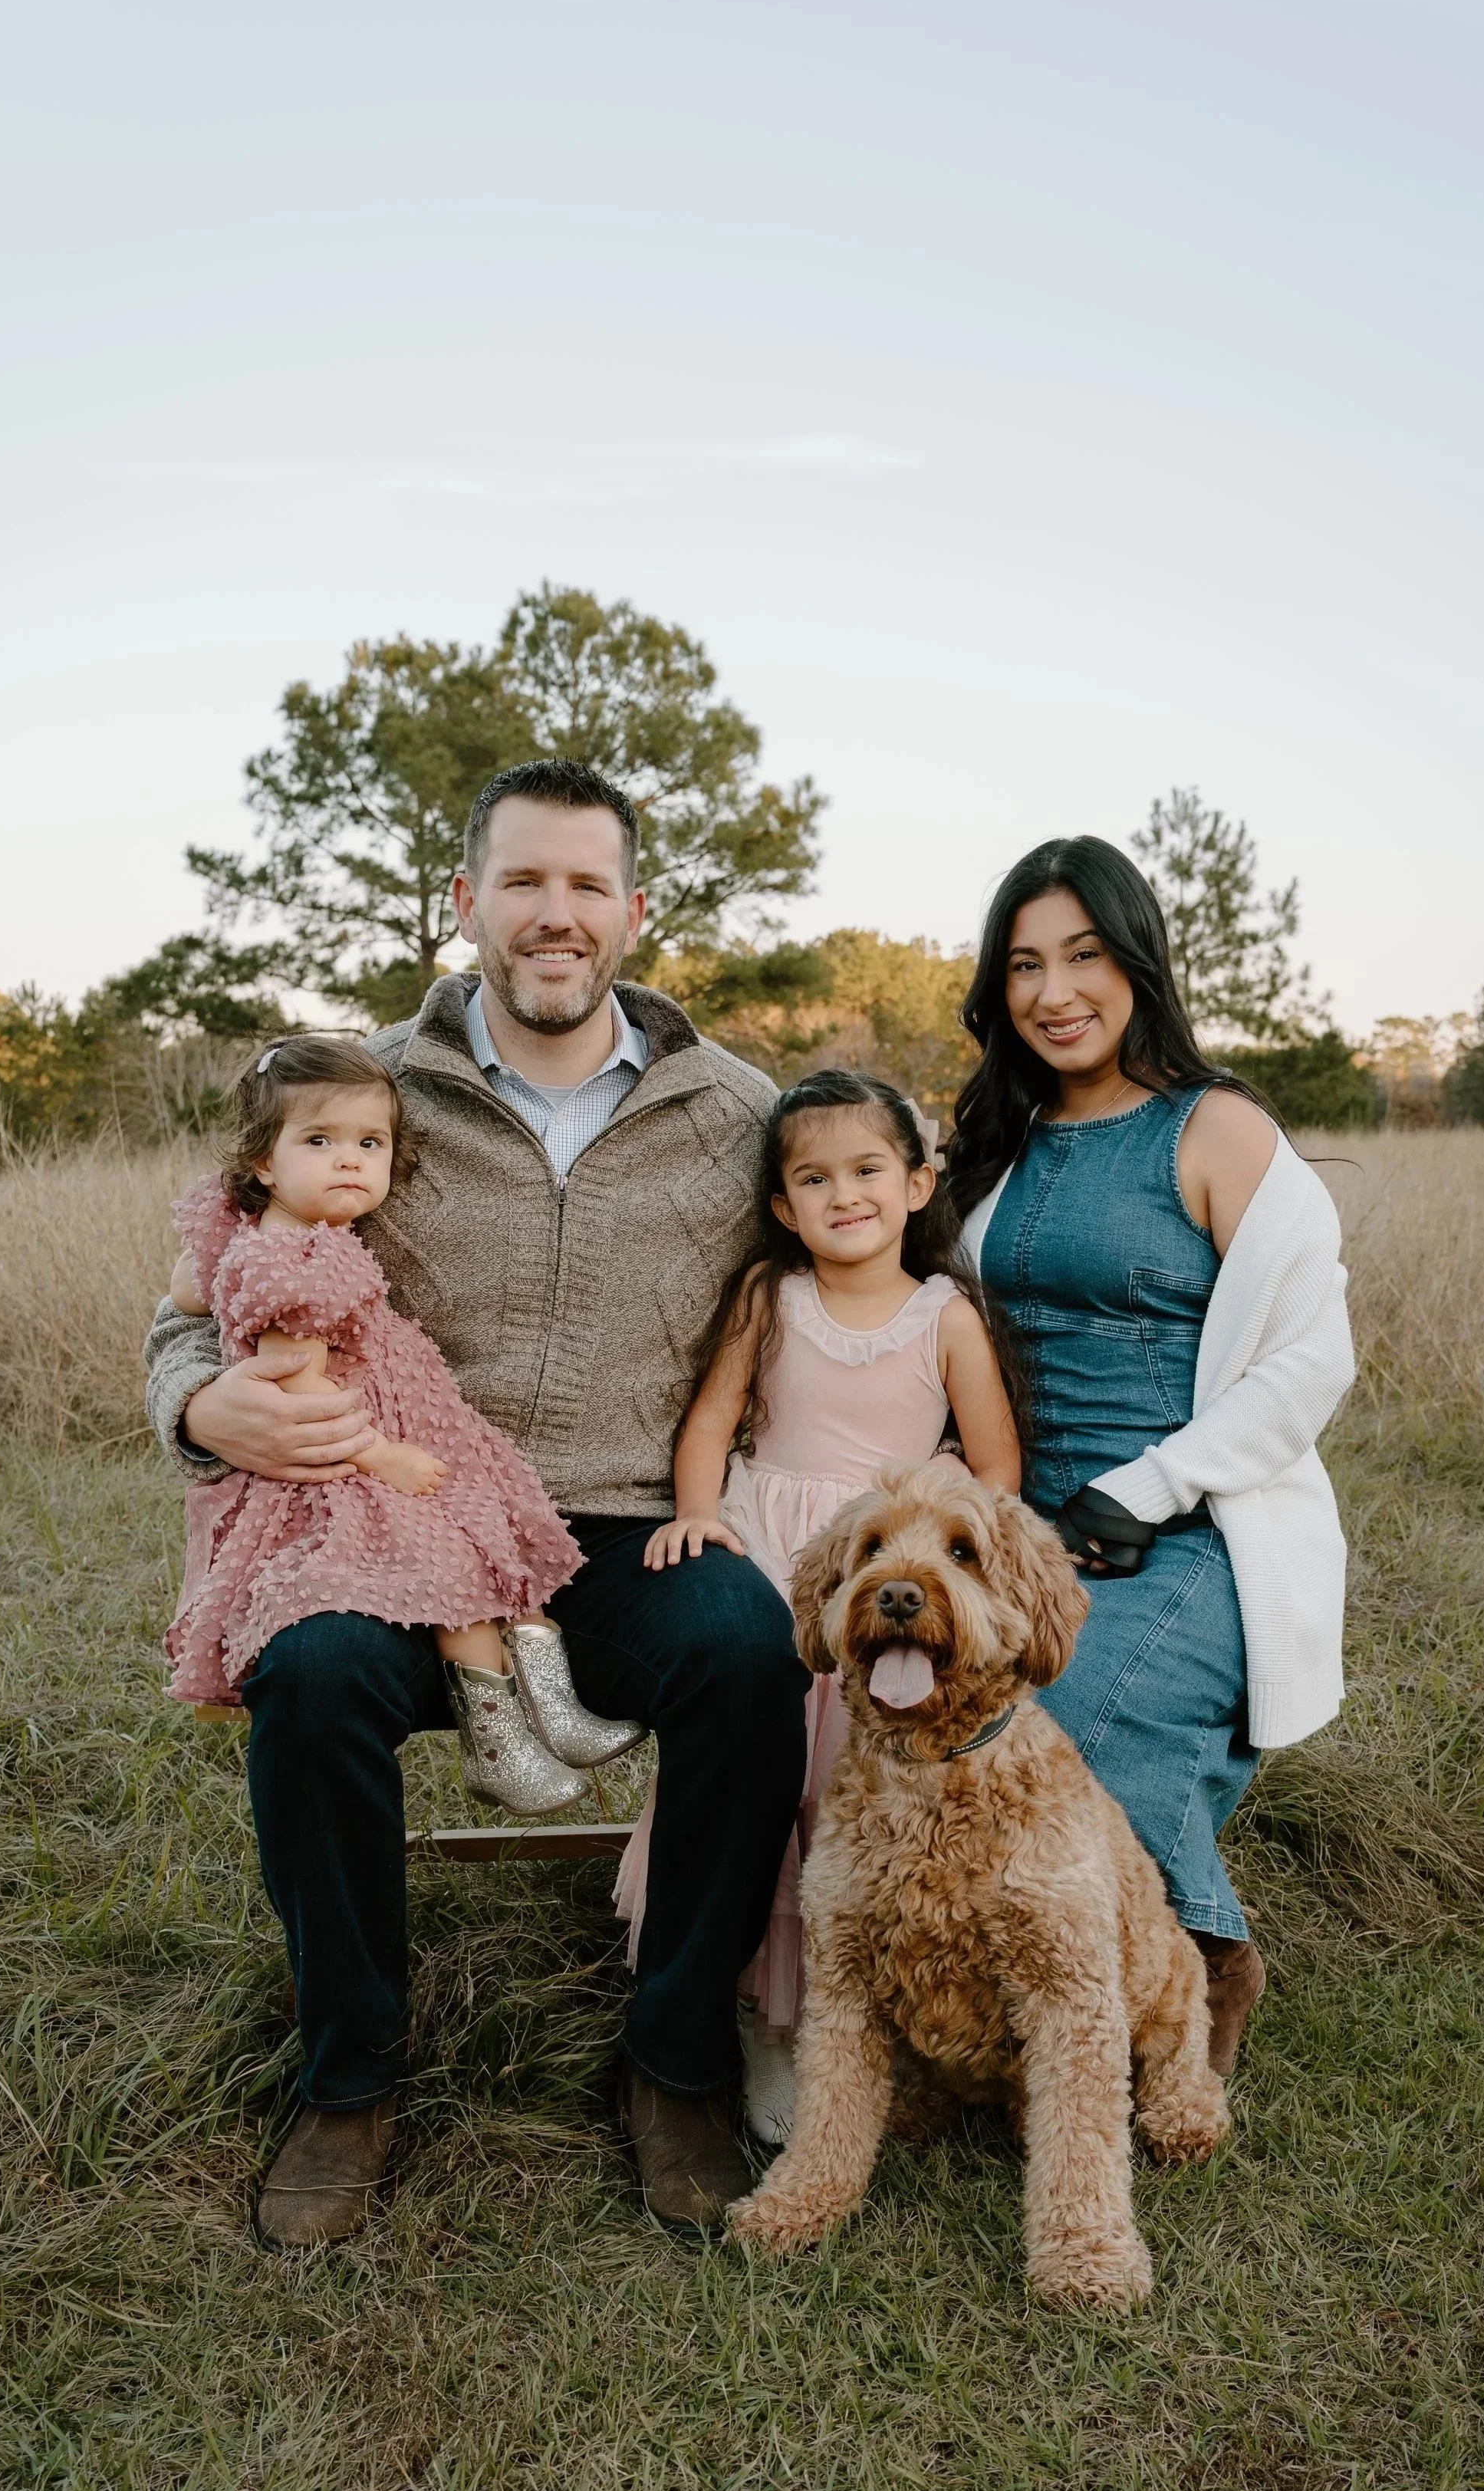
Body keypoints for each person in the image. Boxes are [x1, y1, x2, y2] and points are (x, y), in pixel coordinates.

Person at [143, 758, 810, 2249]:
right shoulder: (361, 1096)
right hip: (401, 1527)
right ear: (465, 904)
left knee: (748, 1654)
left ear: (633, 913)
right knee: (308, 1674)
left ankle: (675, 2058)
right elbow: (192, 1308)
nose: (554, 915)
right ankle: (349, 2074)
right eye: (522, 882)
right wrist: (199, 1402)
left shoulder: (731, 1111)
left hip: (629, 1522)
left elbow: (850, 1248)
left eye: (586, 885)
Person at [947, 836, 1357, 2076]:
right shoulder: (994, 1138)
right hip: (1019, 1517)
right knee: (940, 1718)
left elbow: (1310, 1360)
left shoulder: (1217, 1128)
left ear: (1138, 961)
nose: (1054, 989)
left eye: (1083, 954)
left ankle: (1206, 1957)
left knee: (1067, 1718)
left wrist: (1148, 1485)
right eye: (1025, 963)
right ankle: (998, 2009)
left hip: (1190, 1523)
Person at [617, 1070, 1021, 2145]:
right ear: (785, 1205)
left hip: (887, 1567)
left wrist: (950, 1558)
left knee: (850, 1792)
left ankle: (875, 2012)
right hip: (775, 1557)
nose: (844, 1195)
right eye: (814, 1178)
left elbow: (994, 1469)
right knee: (764, 1783)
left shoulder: (947, 1318)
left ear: (919, 1183)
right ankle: (766, 2022)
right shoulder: (770, 1296)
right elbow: (711, 1424)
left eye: (868, 1170)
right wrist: (699, 1517)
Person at [163, 1032, 635, 1819]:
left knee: (492, 1530)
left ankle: (552, 1713)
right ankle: (501, 1747)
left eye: (369, 1143)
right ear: (264, 1163)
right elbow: (303, 1402)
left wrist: (207, 1279)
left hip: (390, 1431)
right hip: (346, 1473)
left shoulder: (282, 1235)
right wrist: (389, 1457)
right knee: (457, 1574)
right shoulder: (291, 1270)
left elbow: (192, 1286)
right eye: (320, 1141)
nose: (349, 1159)